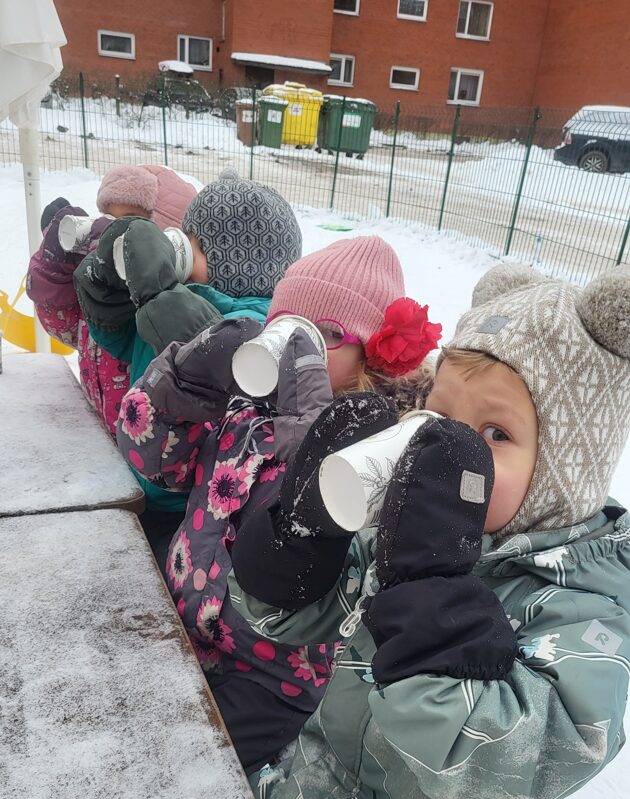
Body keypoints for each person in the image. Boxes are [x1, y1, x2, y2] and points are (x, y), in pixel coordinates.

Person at [228, 262, 630, 799]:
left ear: (565, 469)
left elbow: (484, 767)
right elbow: (280, 620)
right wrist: (300, 534)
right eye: (439, 418)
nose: (448, 453)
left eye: (495, 435)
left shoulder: (589, 615)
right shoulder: (416, 535)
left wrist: (429, 589)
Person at [115, 235, 442, 767]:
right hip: (185, 617)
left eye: (326, 335)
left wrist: (306, 436)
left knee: (182, 764)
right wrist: (181, 383)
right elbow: (158, 466)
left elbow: (330, 559)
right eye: (287, 322)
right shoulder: (243, 409)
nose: (297, 347)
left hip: (272, 676)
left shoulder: (379, 448)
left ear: (372, 357)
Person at [69, 169, 302, 565]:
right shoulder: (174, 300)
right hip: (143, 481)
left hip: (189, 514)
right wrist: (106, 294)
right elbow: (124, 342)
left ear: (231, 261)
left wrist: (159, 295)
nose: (177, 253)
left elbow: (210, 354)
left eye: (190, 246)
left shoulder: (255, 331)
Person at [26, 164, 197, 435]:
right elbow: (63, 324)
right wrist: (57, 262)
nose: (115, 232)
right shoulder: (99, 290)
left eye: (130, 222)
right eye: (108, 219)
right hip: (101, 436)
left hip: (146, 444)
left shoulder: (171, 305)